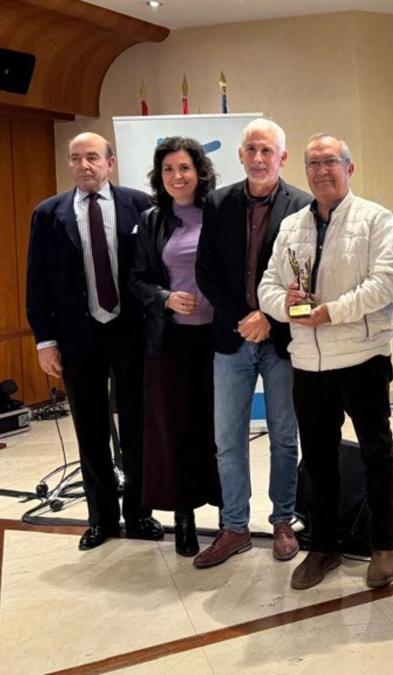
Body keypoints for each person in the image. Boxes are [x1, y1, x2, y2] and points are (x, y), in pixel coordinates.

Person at [258, 134, 393, 591]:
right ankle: (323, 547)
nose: (322, 171)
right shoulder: (291, 226)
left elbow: (387, 282)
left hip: (362, 357)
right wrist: (286, 306)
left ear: (349, 168)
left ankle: (384, 545)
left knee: (377, 454)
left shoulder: (375, 218)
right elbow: (267, 286)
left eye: (331, 162)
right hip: (307, 361)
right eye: (313, 164)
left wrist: (332, 312)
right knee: (318, 461)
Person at [26, 132, 162, 550]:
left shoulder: (141, 205)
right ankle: (100, 518)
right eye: (75, 158)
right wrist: (45, 341)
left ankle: (140, 513)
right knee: (90, 429)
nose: (83, 165)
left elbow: (156, 270)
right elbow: (37, 282)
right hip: (77, 337)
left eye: (92, 157)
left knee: (138, 427)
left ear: (110, 163)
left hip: (131, 332)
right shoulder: (48, 214)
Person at [194, 119, 313, 568]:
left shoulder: (303, 206)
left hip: (281, 339)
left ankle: (283, 520)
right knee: (227, 439)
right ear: (240, 155)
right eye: (251, 150)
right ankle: (234, 527)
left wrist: (269, 316)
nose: (258, 159)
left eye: (267, 151)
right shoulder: (217, 203)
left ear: (282, 157)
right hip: (231, 337)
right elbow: (205, 270)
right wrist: (242, 318)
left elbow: (306, 276)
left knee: (284, 436)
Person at [129, 136, 222, 557]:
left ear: (199, 172)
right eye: (168, 169)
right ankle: (184, 518)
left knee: (218, 429)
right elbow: (136, 279)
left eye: (184, 167)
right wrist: (165, 298)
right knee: (175, 430)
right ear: (159, 176)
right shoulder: (151, 220)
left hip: (217, 340)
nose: (176, 176)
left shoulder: (219, 213)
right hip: (169, 342)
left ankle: (229, 516)